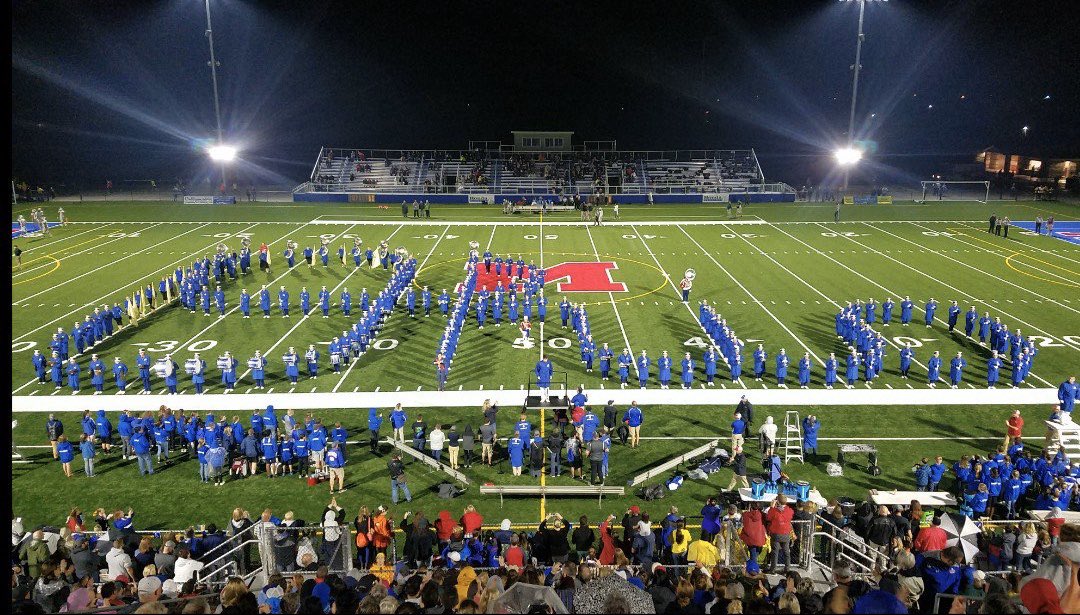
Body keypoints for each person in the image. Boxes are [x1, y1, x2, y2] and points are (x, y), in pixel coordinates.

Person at [766, 495, 794, 573]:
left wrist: (772, 507)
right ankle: (787, 569)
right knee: (786, 552)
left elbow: (768, 517)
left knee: (775, 552)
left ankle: (773, 569)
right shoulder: (790, 510)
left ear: (778, 501)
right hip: (785, 534)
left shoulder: (774, 511)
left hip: (776, 534)